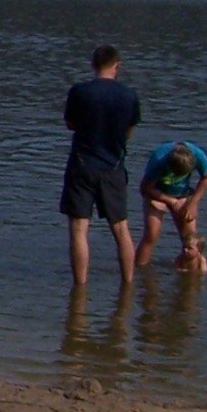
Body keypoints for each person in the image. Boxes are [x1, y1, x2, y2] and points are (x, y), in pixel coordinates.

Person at [60, 44, 141, 288]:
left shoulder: (80, 92)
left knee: (78, 228)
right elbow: (129, 131)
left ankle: (80, 286)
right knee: (121, 228)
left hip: (82, 164)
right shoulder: (129, 95)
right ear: (117, 66)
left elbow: (70, 124)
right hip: (113, 166)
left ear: (94, 65)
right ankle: (128, 284)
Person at [137, 139, 207, 270]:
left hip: (183, 194)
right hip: (156, 194)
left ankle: (194, 272)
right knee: (152, 235)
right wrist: (170, 201)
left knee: (191, 238)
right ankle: (140, 272)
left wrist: (194, 202)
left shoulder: (198, 155)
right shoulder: (159, 159)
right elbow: (145, 188)